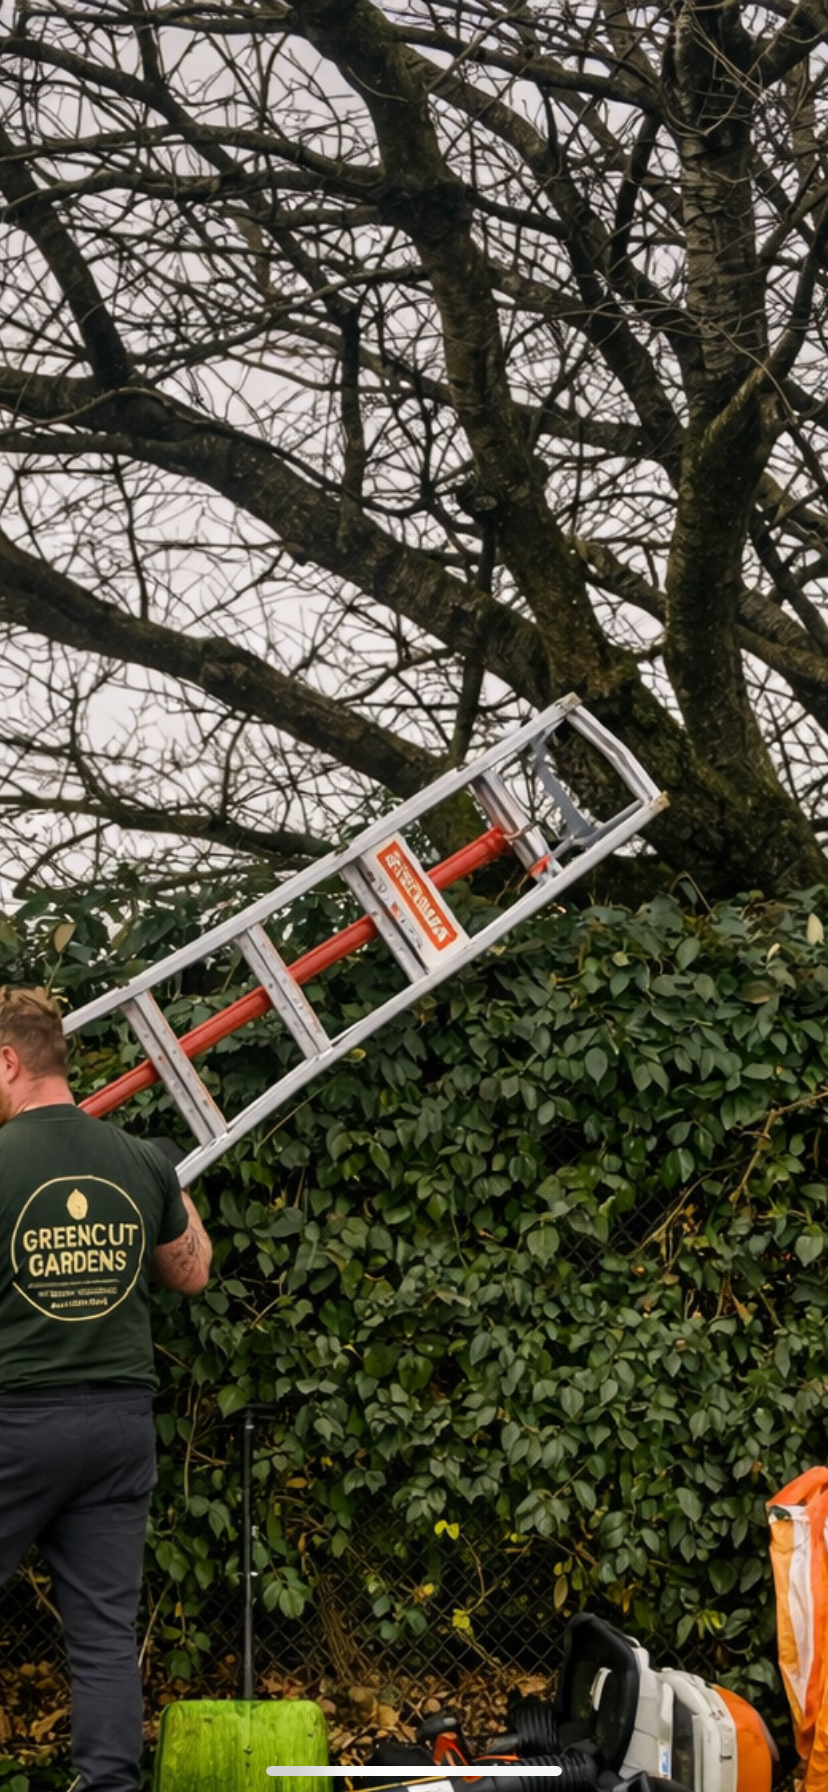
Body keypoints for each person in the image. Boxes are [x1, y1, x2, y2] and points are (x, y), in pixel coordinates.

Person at [0, 985, 212, 1792]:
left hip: (18, 1421)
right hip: (120, 1427)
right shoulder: (137, 1158)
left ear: (10, 1061)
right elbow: (190, 1273)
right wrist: (163, 1178)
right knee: (101, 1640)